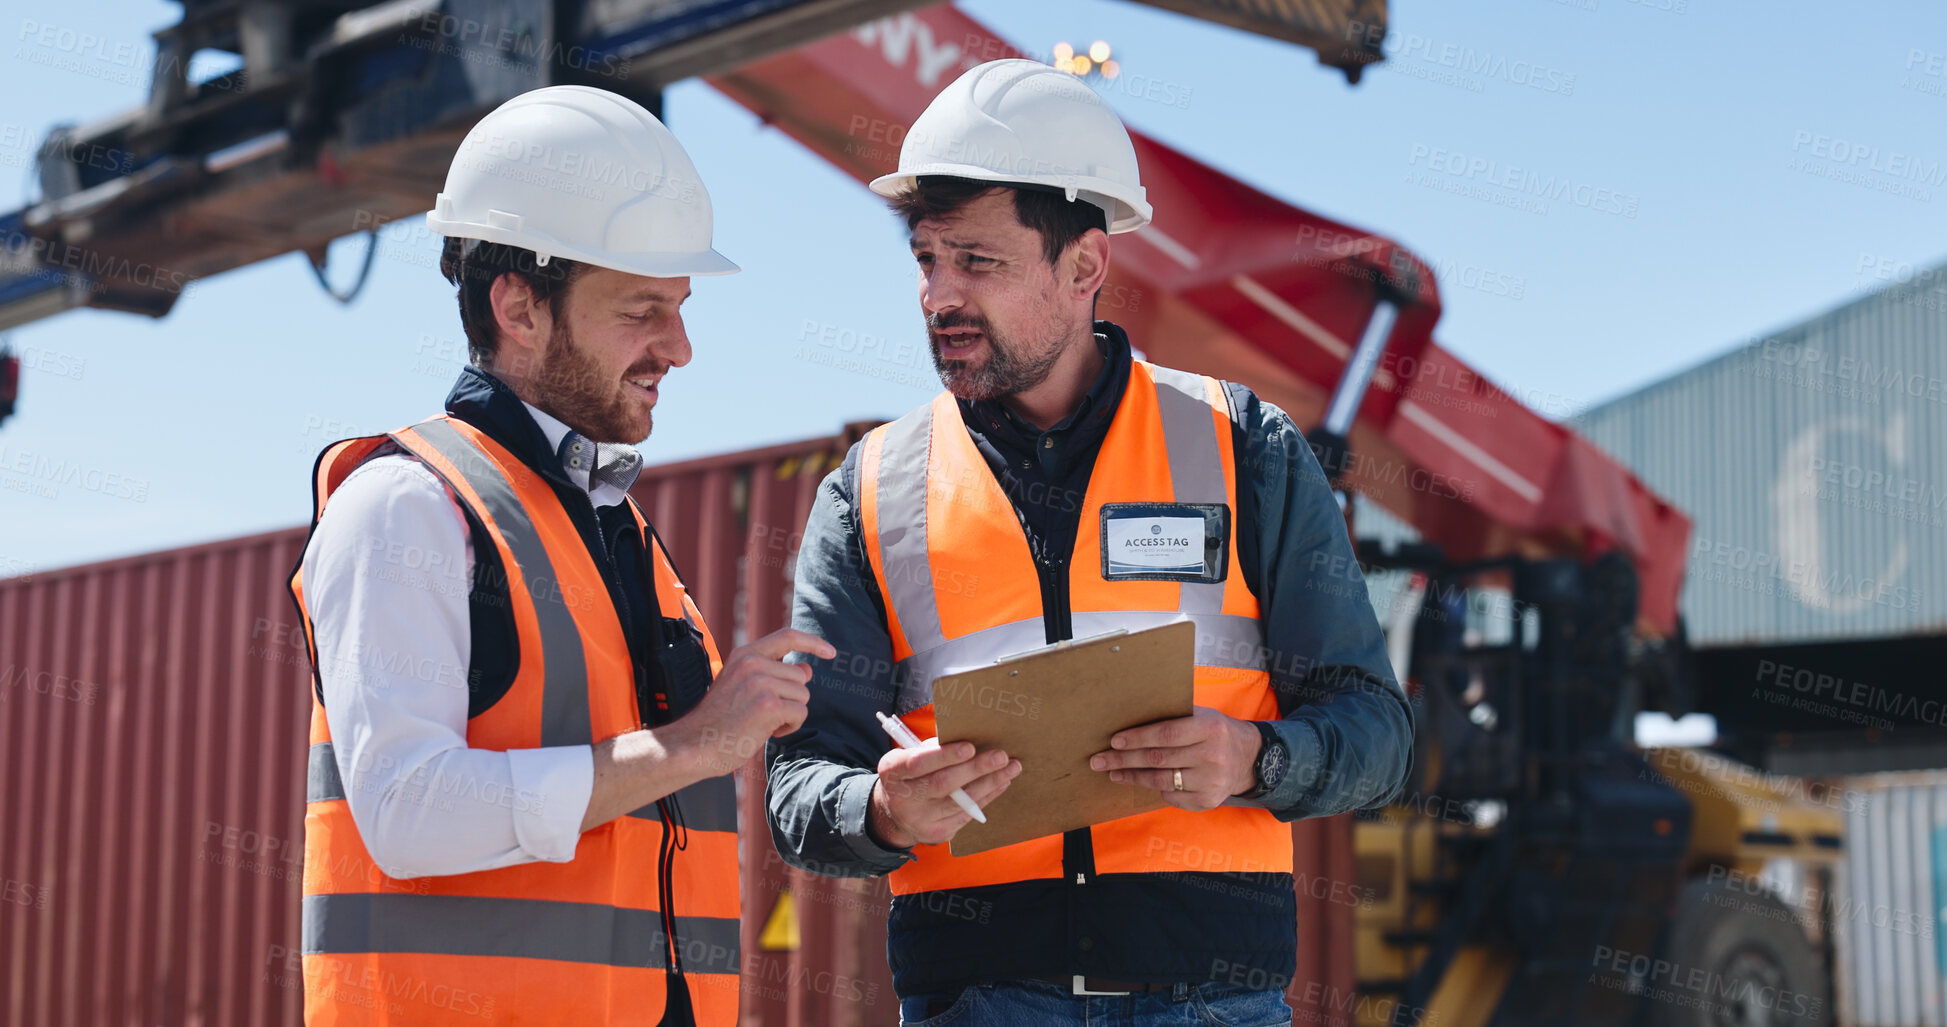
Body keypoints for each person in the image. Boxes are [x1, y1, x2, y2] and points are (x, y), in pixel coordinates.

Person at [767, 59, 1414, 1025]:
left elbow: (1379, 735)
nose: (937, 295)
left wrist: (1256, 759)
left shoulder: (1246, 450)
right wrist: (880, 810)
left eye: (976, 261)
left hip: (1212, 1001)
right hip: (976, 1001)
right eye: (925, 258)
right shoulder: (868, 492)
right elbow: (798, 784)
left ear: (1084, 268)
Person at [291, 86, 831, 1026]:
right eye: (642, 310)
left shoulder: (612, 525)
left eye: (681, 307)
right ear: (518, 306)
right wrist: (694, 741)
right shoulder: (407, 505)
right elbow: (408, 812)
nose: (681, 348)